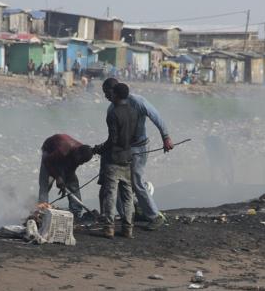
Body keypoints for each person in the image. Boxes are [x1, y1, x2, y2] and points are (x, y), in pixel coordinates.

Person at [98, 78, 174, 231]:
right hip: (124, 150)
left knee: (136, 181)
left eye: (107, 93)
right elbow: (114, 137)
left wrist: (166, 137)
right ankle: (128, 216)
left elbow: (155, 116)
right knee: (121, 183)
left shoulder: (137, 102)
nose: (105, 96)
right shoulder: (111, 110)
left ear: (115, 91)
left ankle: (154, 216)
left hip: (139, 147)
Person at [93, 83, 138, 238]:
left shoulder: (113, 113)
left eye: (112, 93)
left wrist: (99, 148)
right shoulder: (133, 112)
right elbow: (132, 137)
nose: (109, 96)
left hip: (113, 159)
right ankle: (128, 229)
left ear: (116, 95)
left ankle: (109, 228)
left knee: (110, 194)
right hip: (128, 158)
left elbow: (113, 140)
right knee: (128, 195)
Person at [38, 134, 94, 219]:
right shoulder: (64, 149)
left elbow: (70, 170)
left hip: (64, 156)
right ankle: (41, 211)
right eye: (81, 160)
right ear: (77, 153)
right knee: (45, 183)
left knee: (72, 183)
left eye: (83, 162)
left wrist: (64, 184)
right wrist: (58, 177)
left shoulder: (81, 154)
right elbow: (48, 162)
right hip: (49, 153)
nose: (81, 163)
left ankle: (76, 212)